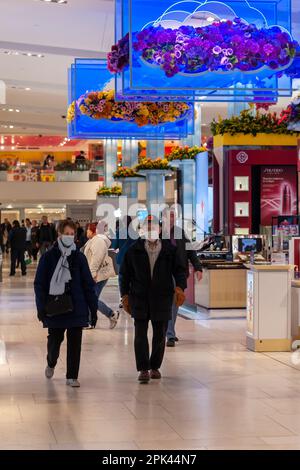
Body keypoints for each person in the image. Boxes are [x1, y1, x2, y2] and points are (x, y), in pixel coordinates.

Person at [120, 215, 187, 384]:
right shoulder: (133, 250)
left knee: (159, 334)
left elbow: (180, 270)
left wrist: (180, 287)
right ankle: (143, 369)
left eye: (154, 227)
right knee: (140, 335)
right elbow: (124, 274)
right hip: (139, 298)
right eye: (148, 227)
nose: (151, 231)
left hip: (162, 298)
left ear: (160, 229)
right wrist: (125, 295)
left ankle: (155, 366)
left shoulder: (169, 250)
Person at [34, 219, 98, 388]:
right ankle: (51, 361)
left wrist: (93, 308)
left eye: (72, 234)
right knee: (55, 341)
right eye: (66, 234)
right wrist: (41, 308)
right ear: (59, 235)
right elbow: (39, 284)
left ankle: (72, 376)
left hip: (77, 306)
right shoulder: (48, 257)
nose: (69, 237)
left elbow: (88, 285)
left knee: (75, 342)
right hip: (55, 307)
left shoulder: (79, 258)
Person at [162, 208, 203, 347]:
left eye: (174, 216)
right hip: (164, 273)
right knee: (168, 303)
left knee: (175, 302)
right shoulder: (158, 233)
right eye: (170, 216)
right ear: (164, 217)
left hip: (179, 273)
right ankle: (169, 334)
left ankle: (169, 331)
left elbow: (191, 250)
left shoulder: (180, 232)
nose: (172, 218)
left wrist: (198, 267)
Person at [83, 222, 119, 329]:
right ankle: (93, 320)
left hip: (97, 275)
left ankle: (110, 314)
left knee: (91, 298)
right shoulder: (93, 241)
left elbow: (96, 259)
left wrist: (92, 274)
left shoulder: (98, 241)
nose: (87, 232)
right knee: (92, 297)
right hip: (96, 274)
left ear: (93, 231)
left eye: (88, 230)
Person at [111, 216, 137, 307]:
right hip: (133, 259)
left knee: (122, 280)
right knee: (132, 279)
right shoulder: (135, 233)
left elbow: (114, 246)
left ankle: (123, 299)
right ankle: (132, 298)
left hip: (122, 258)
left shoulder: (119, 232)